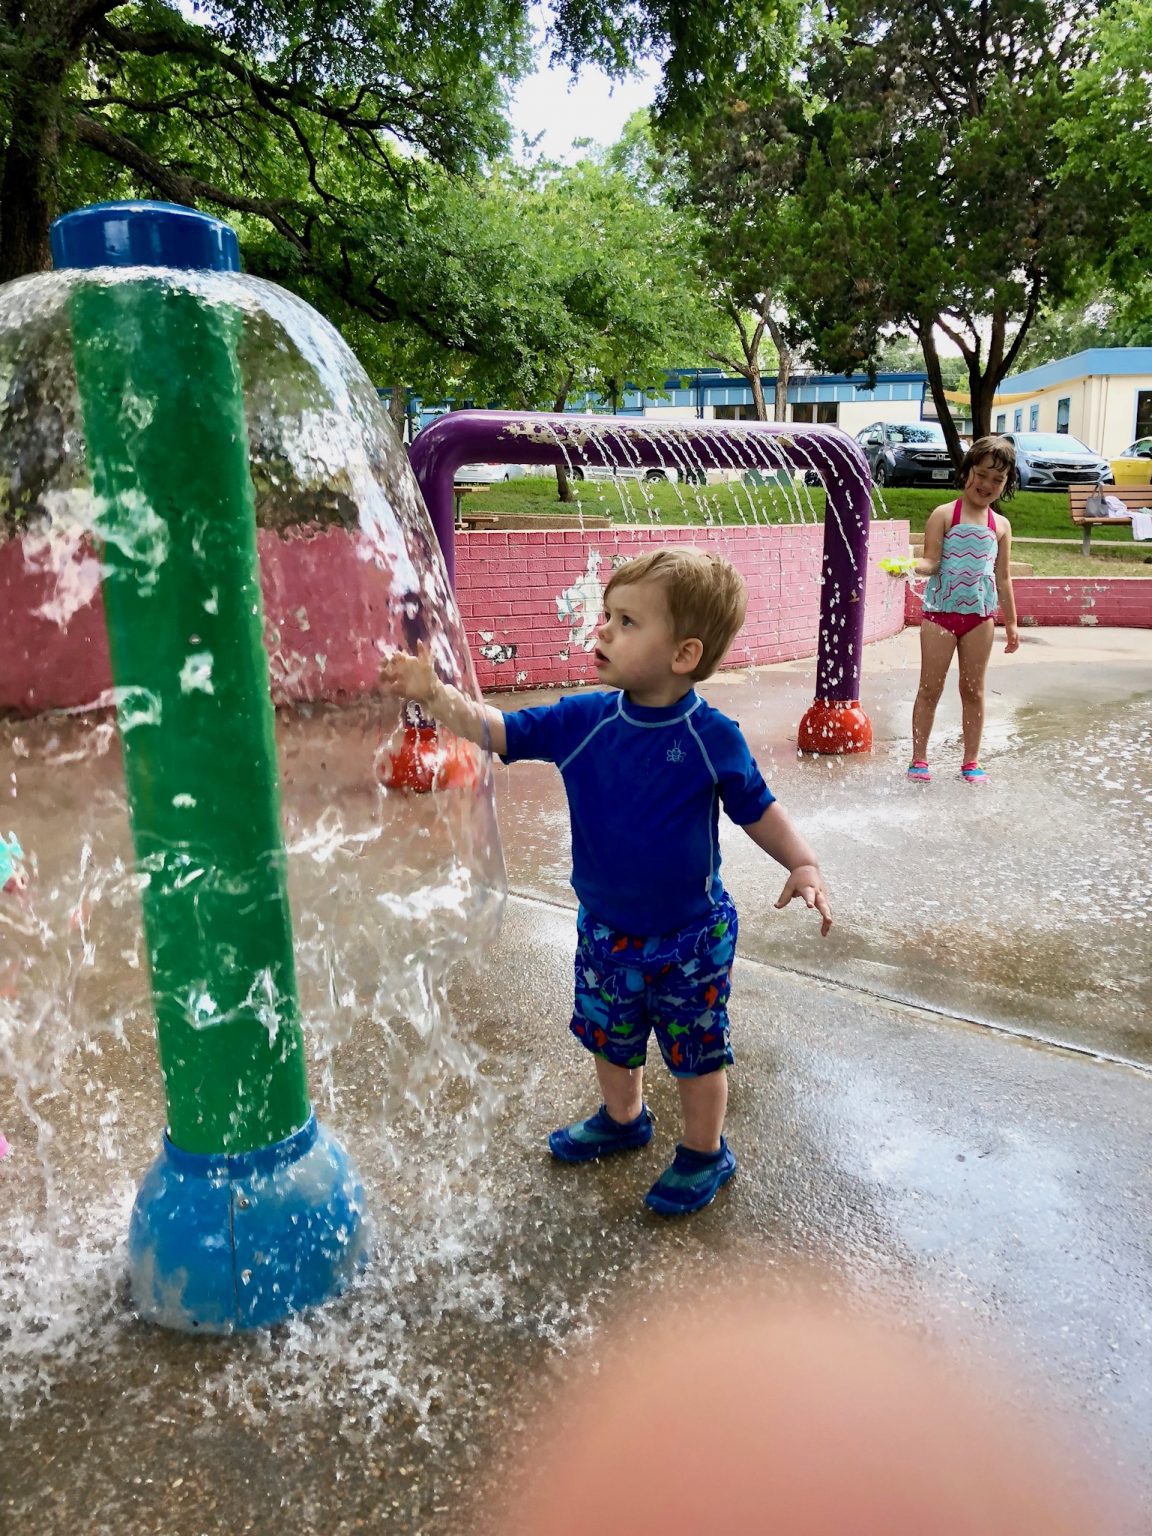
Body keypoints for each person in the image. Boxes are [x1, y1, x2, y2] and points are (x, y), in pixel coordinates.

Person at [379, 547, 831, 1216]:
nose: (602, 632)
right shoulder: (583, 721)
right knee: (609, 1035)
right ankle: (624, 1119)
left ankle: (706, 1152)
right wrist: (433, 693)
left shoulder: (711, 736)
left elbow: (756, 806)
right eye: (606, 616)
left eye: (626, 622)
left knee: (697, 1050)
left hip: (691, 936)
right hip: (606, 929)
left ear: (683, 654)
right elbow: (495, 728)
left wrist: (802, 862)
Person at [908, 435, 1020, 784]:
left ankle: (971, 760)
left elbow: (1003, 577)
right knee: (930, 687)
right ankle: (919, 758)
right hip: (940, 614)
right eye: (982, 474)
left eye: (997, 480)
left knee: (973, 690)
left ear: (1005, 485)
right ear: (967, 470)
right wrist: (908, 567)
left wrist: (1012, 624)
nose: (987, 484)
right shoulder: (944, 515)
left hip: (979, 619)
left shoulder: (999, 526)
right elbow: (930, 562)